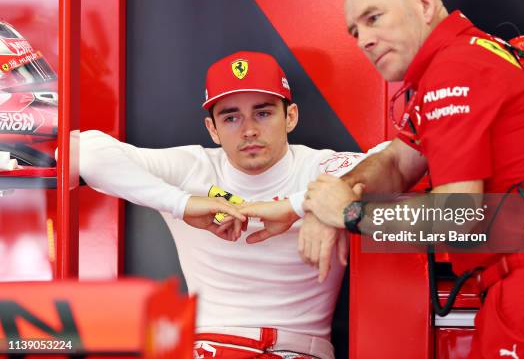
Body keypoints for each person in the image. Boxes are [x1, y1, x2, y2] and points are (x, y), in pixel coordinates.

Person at [290, 0, 524, 359]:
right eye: (355, 31)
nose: (364, 41)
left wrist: (351, 213)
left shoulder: (454, 68)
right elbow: (397, 164)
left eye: (374, 18)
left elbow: (457, 218)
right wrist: (331, 200)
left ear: (424, 4)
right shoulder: (456, 61)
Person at [79, 50, 385, 359]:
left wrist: (312, 203)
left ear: (290, 116)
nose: (249, 130)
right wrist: (182, 204)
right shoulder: (192, 167)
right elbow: (84, 153)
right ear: (213, 129)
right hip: (208, 346)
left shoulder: (320, 168)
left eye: (263, 113)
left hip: (297, 348)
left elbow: (402, 158)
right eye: (231, 117)